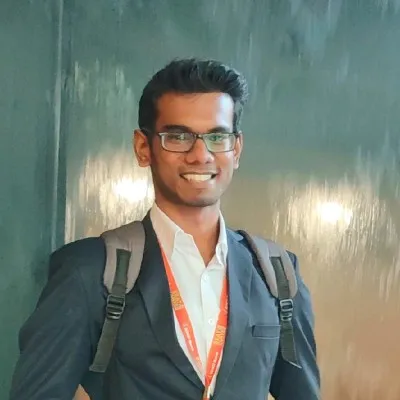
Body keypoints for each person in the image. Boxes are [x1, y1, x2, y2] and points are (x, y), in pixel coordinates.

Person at [9, 58, 320, 400]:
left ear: (236, 149)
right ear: (143, 148)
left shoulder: (276, 274)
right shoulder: (90, 272)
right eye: (178, 136)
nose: (200, 154)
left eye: (217, 136)